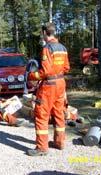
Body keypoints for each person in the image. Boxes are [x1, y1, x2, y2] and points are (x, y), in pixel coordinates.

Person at [26, 22, 70, 156]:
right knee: (58, 113)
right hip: (61, 83)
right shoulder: (62, 48)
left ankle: (42, 147)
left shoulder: (47, 48)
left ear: (45, 32)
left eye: (42, 33)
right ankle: (59, 142)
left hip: (49, 85)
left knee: (41, 114)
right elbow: (67, 67)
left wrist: (32, 75)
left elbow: (45, 71)